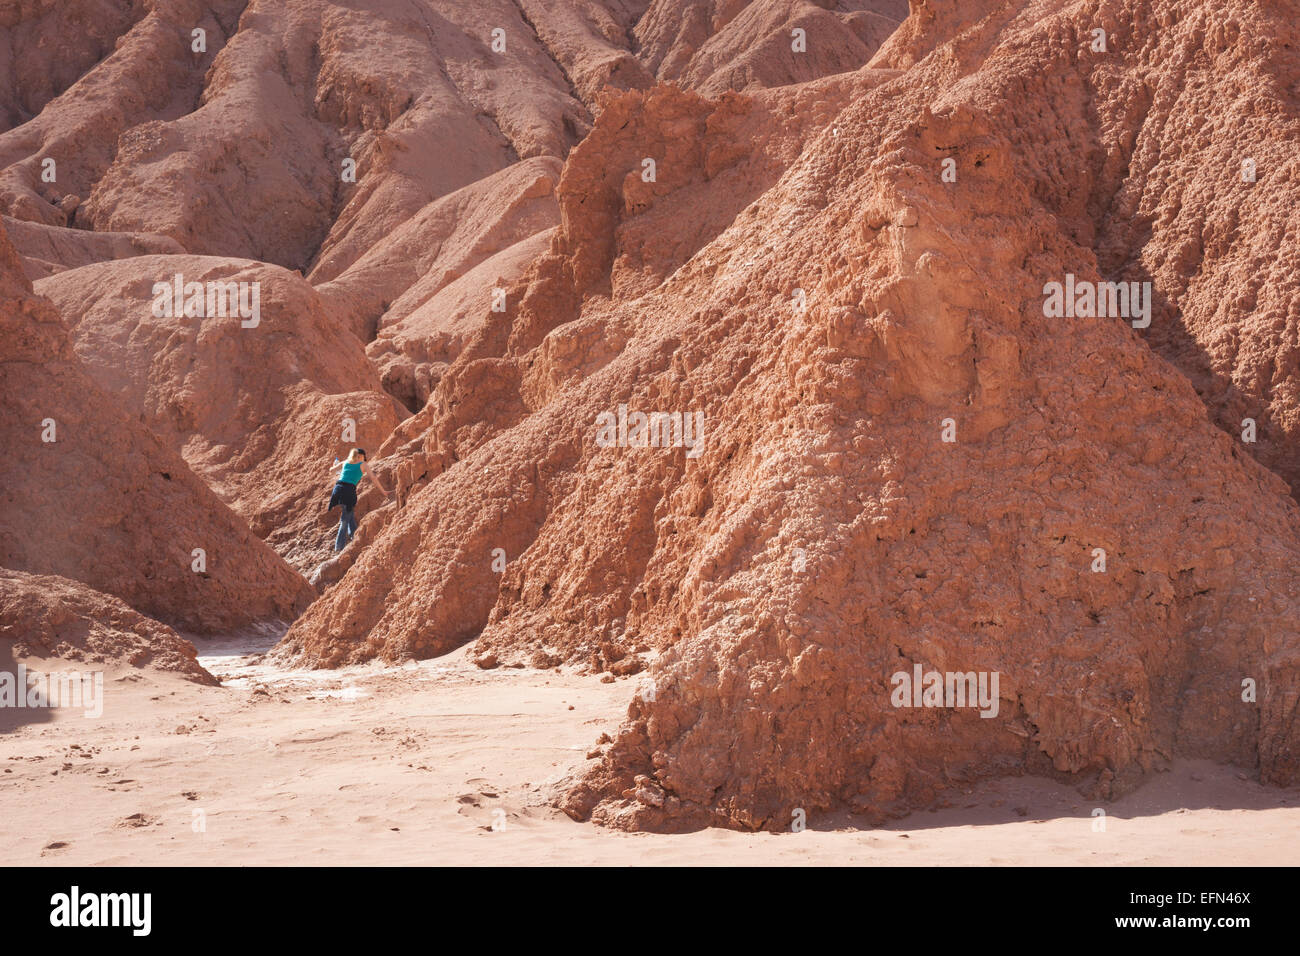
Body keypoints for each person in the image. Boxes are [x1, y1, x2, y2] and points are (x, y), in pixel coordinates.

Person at [328, 448, 368, 552]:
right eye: (360, 456)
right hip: (347, 492)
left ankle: (354, 536)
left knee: (348, 513)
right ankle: (339, 547)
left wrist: (335, 467)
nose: (361, 458)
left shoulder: (347, 462)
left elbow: (332, 471)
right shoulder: (361, 464)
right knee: (345, 520)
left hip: (338, 490)